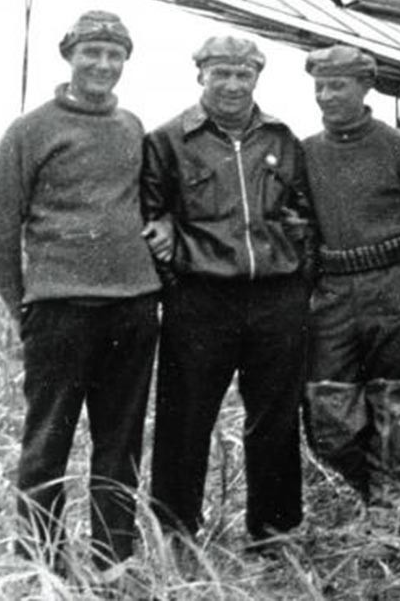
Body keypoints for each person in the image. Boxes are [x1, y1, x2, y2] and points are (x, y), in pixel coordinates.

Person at [0, 11, 161, 569]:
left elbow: (146, 206)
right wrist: (26, 305)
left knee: (121, 441)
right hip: (60, 315)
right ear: (69, 57)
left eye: (114, 55)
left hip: (132, 308)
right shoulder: (30, 130)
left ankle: (113, 560)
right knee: (47, 441)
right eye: (91, 53)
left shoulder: (131, 126)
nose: (102, 64)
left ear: (125, 61)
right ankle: (39, 563)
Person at [140, 35, 314, 547]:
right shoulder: (169, 139)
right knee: (184, 418)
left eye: (244, 74)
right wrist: (181, 282)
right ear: (201, 76)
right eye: (222, 73)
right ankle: (175, 533)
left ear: (257, 77)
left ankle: (274, 532)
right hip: (201, 300)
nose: (233, 85)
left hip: (276, 299)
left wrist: (295, 271)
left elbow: (301, 212)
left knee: (276, 420)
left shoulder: (282, 139)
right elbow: (150, 218)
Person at [299, 44, 400, 506]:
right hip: (331, 295)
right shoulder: (306, 153)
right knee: (329, 409)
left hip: (394, 289)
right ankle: (357, 484)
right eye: (320, 86)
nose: (327, 96)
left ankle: (392, 498)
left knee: (394, 400)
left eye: (338, 85)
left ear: (366, 87)